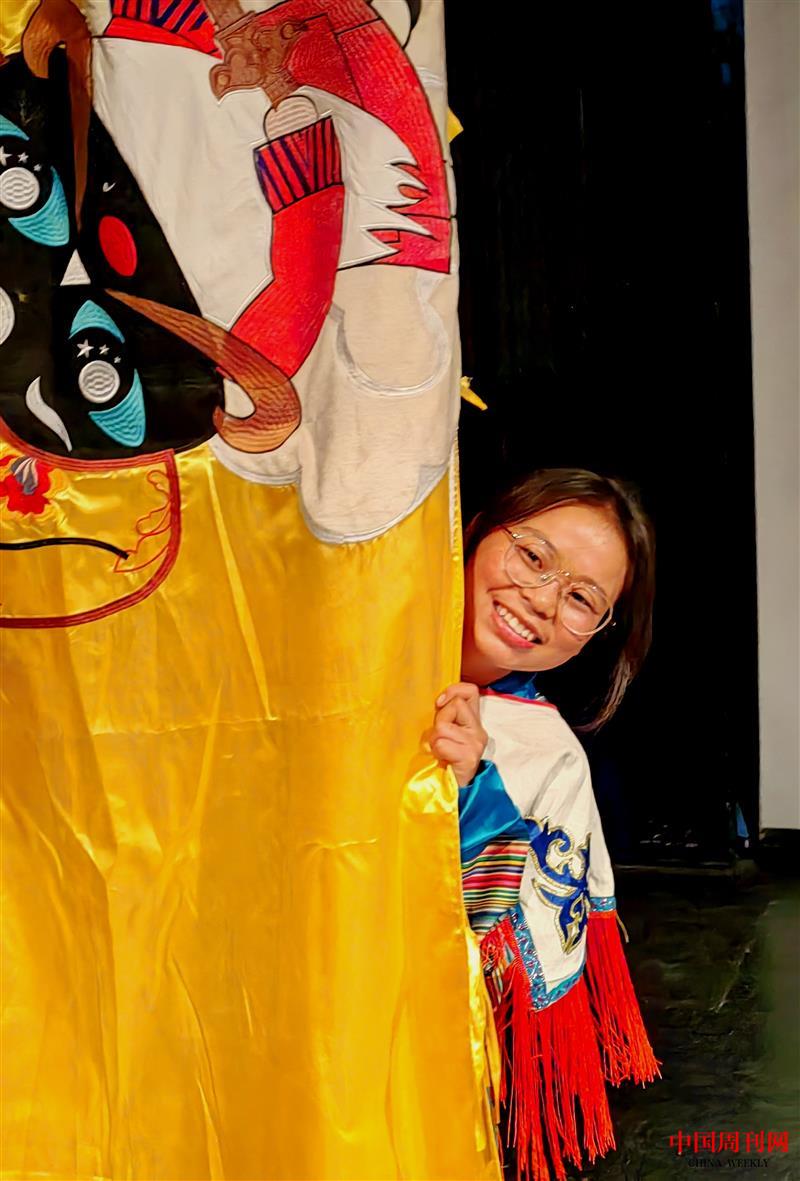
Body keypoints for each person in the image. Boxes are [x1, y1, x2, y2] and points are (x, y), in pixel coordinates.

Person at [432, 468, 660, 1181]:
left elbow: (501, 959)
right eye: (533, 556)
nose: (541, 600)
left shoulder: (547, 754)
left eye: (582, 599)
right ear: (475, 530)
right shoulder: (338, 651)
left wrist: (468, 790)